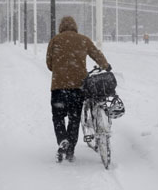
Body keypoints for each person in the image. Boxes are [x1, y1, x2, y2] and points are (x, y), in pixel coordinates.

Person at [46, 16, 111, 163]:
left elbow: (49, 64)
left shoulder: (55, 40)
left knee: (58, 117)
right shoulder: (83, 39)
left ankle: (62, 139)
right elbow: (96, 54)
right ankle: (70, 150)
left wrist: (60, 69)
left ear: (61, 27)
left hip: (58, 87)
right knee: (74, 119)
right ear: (75, 26)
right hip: (78, 87)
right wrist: (106, 66)